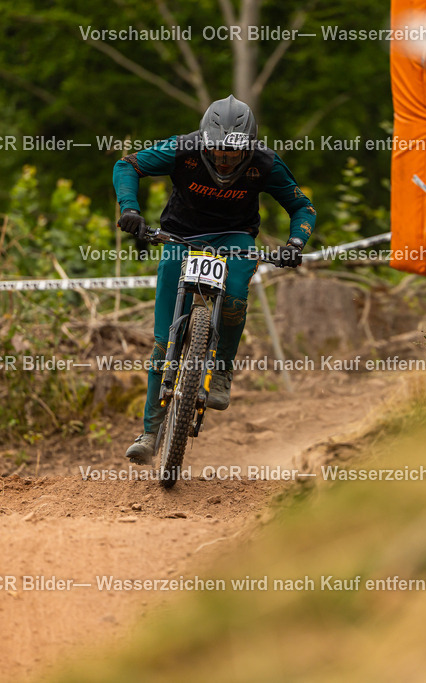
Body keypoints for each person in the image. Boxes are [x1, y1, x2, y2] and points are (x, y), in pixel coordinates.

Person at [113, 95, 315, 465]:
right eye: (217, 150)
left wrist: (295, 243)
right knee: (162, 340)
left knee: (236, 295)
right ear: (204, 141)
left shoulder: (266, 163)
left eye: (232, 153)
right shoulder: (182, 149)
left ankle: (221, 369)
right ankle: (150, 432)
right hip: (180, 236)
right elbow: (127, 166)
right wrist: (130, 209)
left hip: (234, 237)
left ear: (249, 147)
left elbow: (302, 205)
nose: (223, 158)